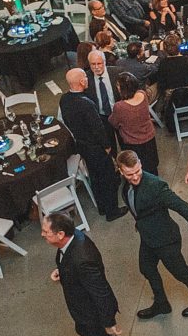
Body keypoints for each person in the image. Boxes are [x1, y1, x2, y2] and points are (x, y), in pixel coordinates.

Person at [116, 150, 188, 319]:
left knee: (180, 271)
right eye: (129, 174)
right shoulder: (125, 184)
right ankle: (161, 304)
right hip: (148, 236)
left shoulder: (155, 185)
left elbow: (180, 205)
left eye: (137, 171)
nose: (135, 177)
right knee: (146, 268)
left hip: (165, 238)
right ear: (121, 170)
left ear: (140, 164)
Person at [42, 212, 139, 336]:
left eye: (46, 232)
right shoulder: (74, 238)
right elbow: (69, 261)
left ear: (61, 234)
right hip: (84, 306)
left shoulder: (82, 260)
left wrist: (109, 322)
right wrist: (62, 271)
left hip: (92, 310)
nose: (42, 234)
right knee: (83, 330)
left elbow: (101, 292)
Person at [59, 68, 127, 220]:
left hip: (82, 145)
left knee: (94, 177)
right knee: (107, 178)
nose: (87, 79)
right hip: (96, 147)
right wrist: (107, 146)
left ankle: (101, 207)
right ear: (81, 81)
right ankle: (112, 211)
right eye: (85, 77)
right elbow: (97, 128)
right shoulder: (86, 104)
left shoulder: (64, 99)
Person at [109, 71, 159, 175]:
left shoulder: (120, 106)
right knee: (152, 167)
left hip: (132, 143)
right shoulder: (142, 94)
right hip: (149, 138)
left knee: (136, 170)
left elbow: (113, 122)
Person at [86, 50, 123, 154]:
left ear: (105, 62)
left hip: (118, 114)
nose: (96, 67)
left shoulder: (118, 72)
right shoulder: (86, 78)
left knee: (124, 141)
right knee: (109, 146)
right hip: (102, 117)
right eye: (93, 64)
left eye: (99, 63)